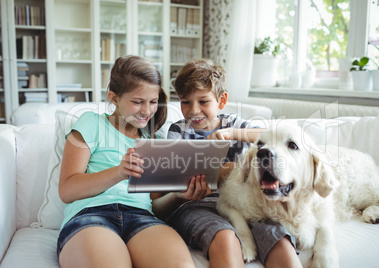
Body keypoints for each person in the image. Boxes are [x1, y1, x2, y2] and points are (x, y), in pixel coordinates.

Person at [57, 55, 204, 268]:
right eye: (137, 102)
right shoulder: (91, 123)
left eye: (153, 102)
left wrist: (178, 196)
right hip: (92, 215)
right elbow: (67, 190)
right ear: (114, 98)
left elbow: (154, 204)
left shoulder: (153, 141)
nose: (146, 110)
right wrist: (118, 172)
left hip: (142, 218)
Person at [154, 58, 302, 268]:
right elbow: (175, 178)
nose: (194, 110)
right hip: (198, 205)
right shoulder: (179, 130)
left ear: (221, 101)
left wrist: (234, 133)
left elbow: (268, 135)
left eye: (203, 101)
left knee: (279, 240)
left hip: (244, 204)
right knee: (224, 236)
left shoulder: (233, 124)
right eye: (186, 101)